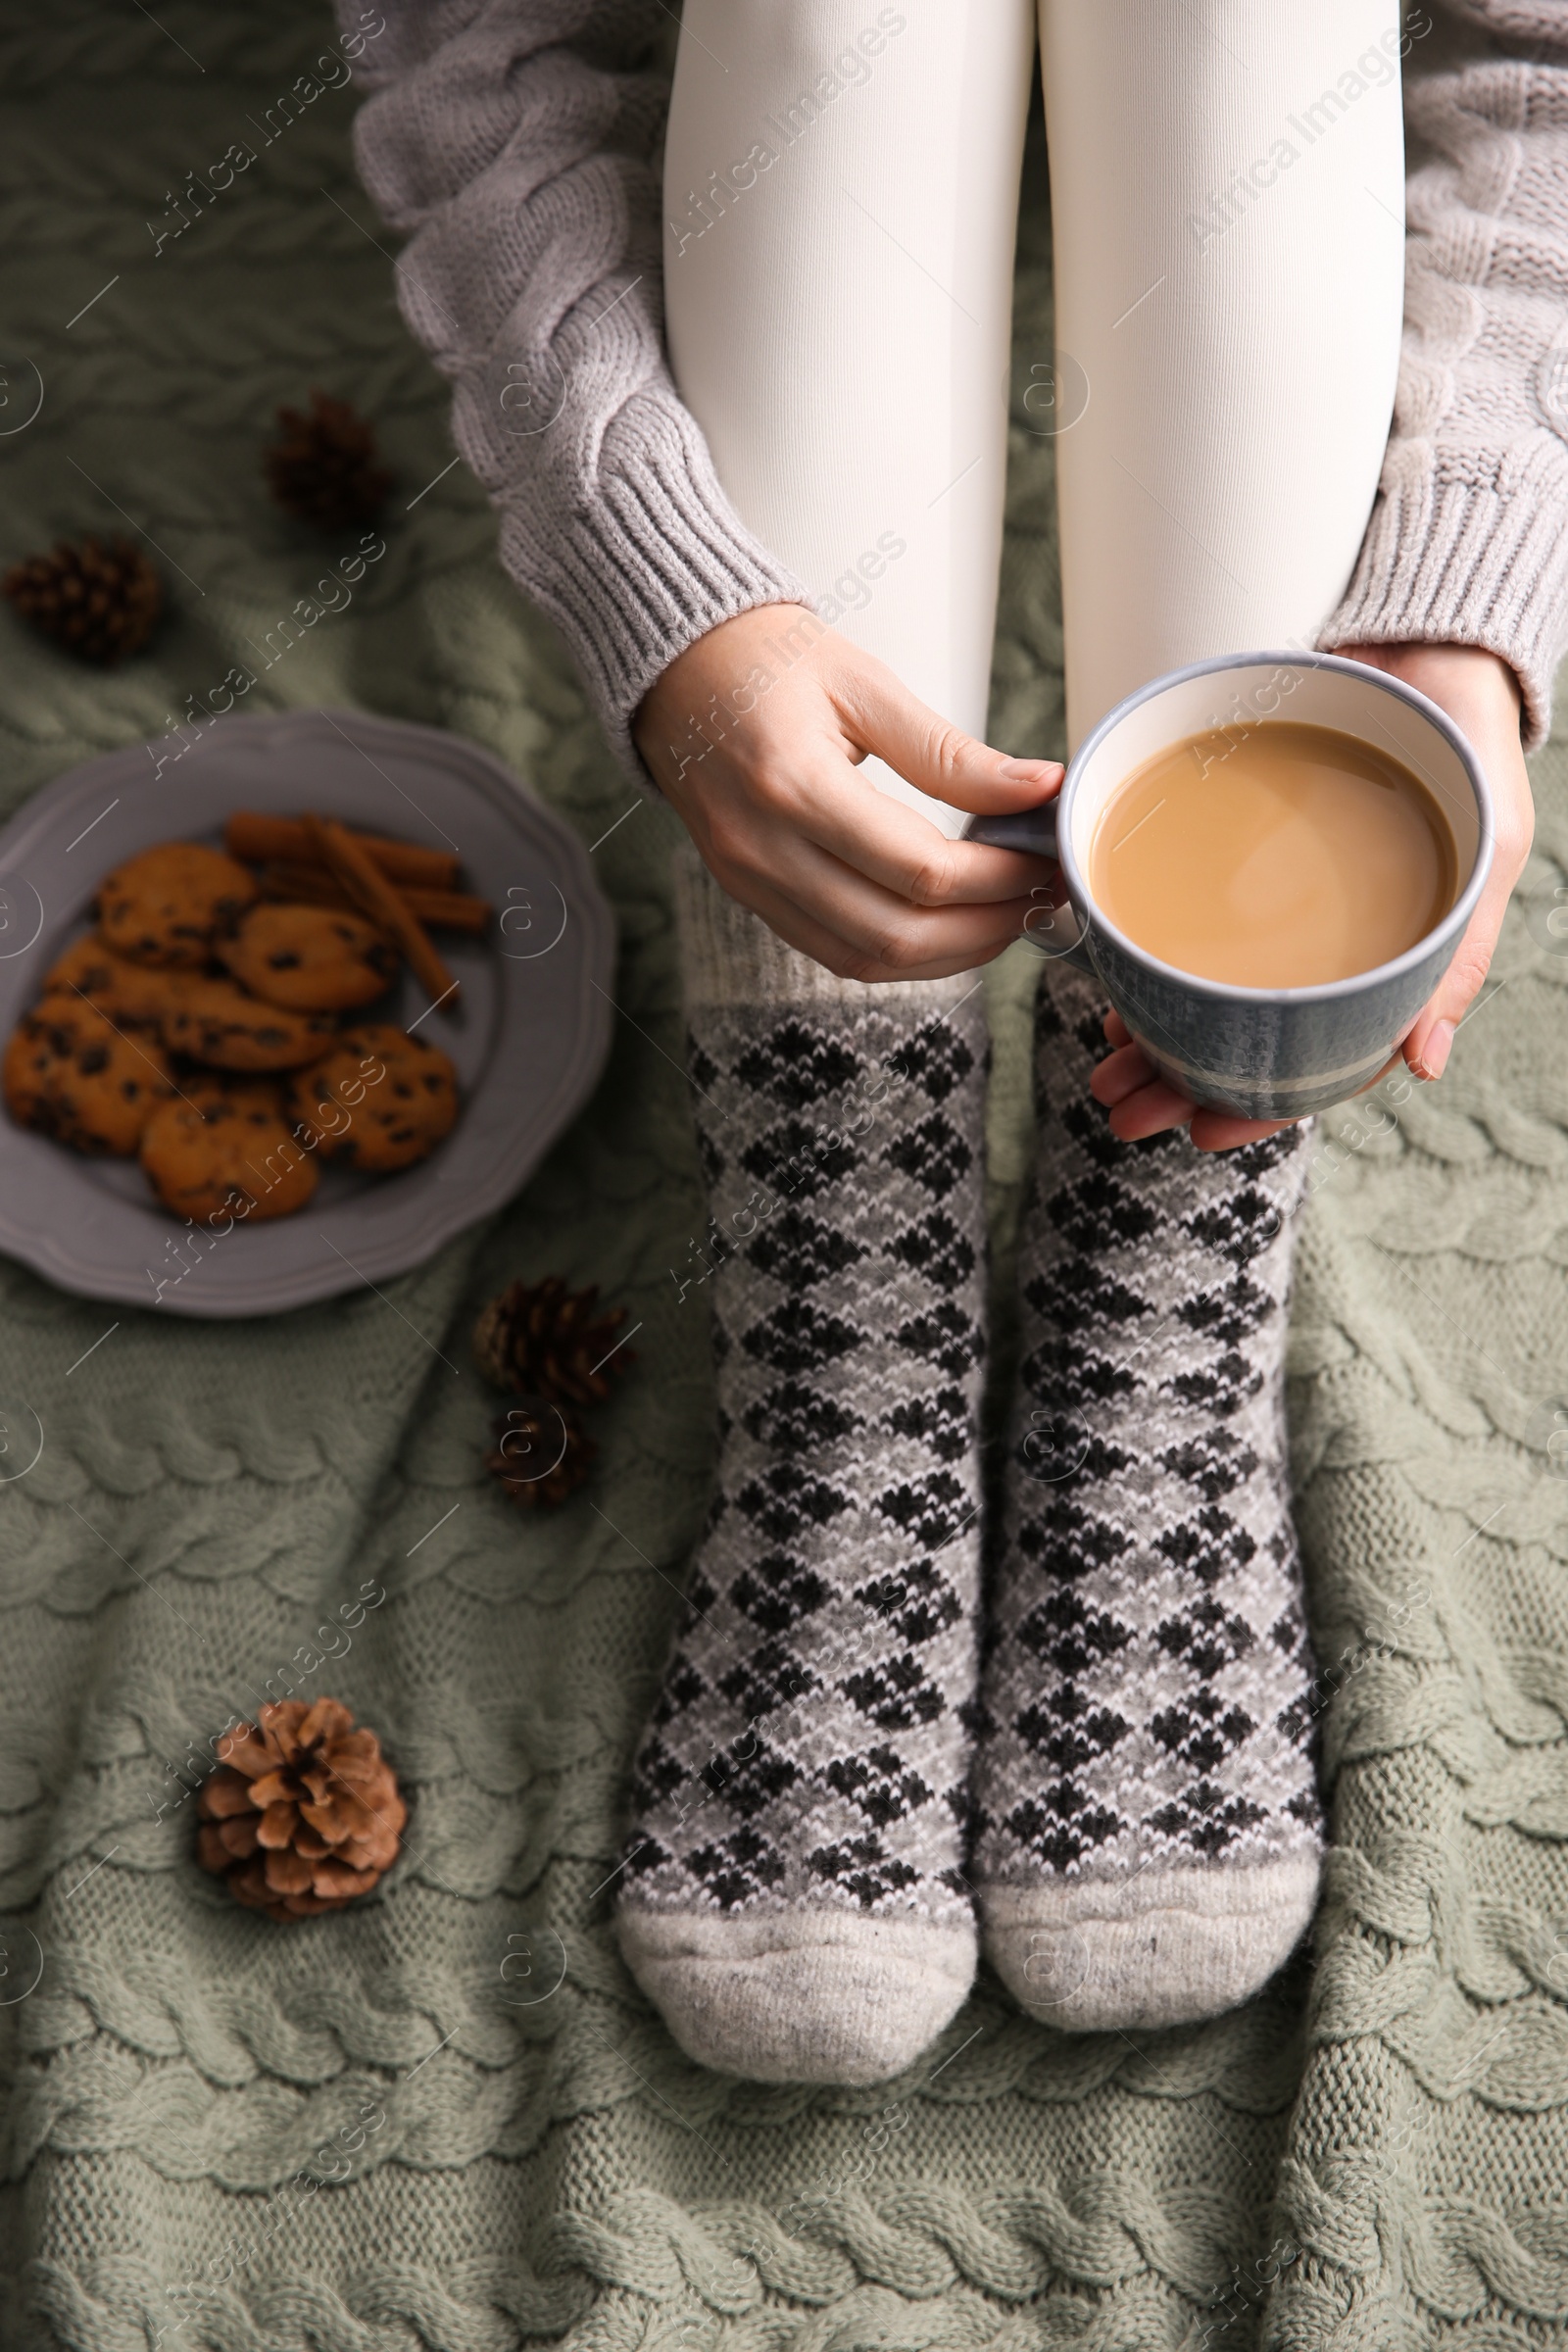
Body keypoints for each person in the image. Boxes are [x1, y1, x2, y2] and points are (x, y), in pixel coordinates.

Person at [342, 0, 1562, 2083]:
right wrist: (677, 597)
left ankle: (1157, 1279)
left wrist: (1456, 592)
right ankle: (855, 1321)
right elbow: (482, 46)